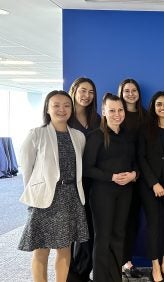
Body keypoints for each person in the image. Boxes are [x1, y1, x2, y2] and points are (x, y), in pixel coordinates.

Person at [18, 90, 89, 282]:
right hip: (45, 199)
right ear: (47, 109)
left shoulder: (78, 136)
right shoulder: (36, 134)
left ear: (72, 109)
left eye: (66, 105)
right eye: (56, 105)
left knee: (65, 249)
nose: (62, 109)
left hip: (70, 198)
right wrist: (34, 198)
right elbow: (27, 169)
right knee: (42, 250)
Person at [84, 93, 138, 282]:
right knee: (103, 237)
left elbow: (137, 163)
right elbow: (87, 168)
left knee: (118, 236)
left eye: (120, 110)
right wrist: (111, 177)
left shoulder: (129, 136)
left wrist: (133, 175)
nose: (117, 114)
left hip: (125, 193)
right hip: (102, 193)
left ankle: (116, 278)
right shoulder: (95, 137)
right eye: (112, 110)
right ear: (104, 111)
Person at [137, 91, 164, 282]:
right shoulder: (145, 128)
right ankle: (155, 267)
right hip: (149, 186)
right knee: (154, 225)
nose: (163, 107)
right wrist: (154, 183)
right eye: (159, 104)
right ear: (153, 106)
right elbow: (141, 158)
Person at [67, 77, 101, 282]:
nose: (86, 95)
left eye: (91, 92)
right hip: (70, 183)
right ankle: (72, 274)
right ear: (74, 91)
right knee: (72, 231)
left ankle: (83, 271)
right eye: (83, 91)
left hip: (92, 182)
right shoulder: (65, 117)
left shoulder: (96, 119)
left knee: (89, 229)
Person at [117, 78, 147, 278]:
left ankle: (127, 262)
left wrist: (136, 174)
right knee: (117, 223)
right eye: (126, 90)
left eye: (133, 90)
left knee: (132, 222)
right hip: (119, 177)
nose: (130, 93)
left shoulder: (146, 116)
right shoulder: (116, 115)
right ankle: (115, 263)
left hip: (140, 176)